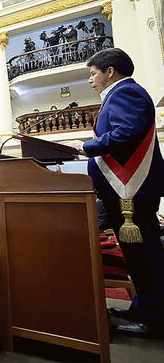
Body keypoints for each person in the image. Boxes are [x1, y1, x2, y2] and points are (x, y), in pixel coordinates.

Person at [63, 48, 164, 336]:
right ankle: (144, 307)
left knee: (144, 255)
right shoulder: (122, 95)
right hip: (126, 192)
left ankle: (155, 319)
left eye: (93, 73)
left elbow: (126, 132)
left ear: (110, 71)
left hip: (130, 191)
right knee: (137, 255)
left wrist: (86, 146)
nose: (90, 80)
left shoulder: (124, 93)